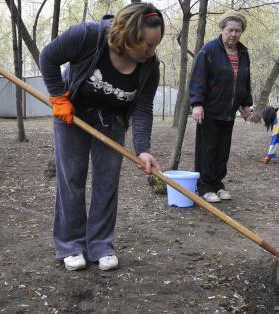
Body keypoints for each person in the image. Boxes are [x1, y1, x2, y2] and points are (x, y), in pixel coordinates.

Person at [39, 3, 164, 271]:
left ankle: (100, 244)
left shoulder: (149, 66)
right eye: (147, 45)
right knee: (71, 177)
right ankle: (71, 245)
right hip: (71, 114)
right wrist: (59, 98)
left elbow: (142, 109)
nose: (151, 52)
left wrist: (143, 149)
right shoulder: (87, 36)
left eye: (155, 45)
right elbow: (48, 57)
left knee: (107, 181)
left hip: (112, 121)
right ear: (128, 35)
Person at [189, 11, 252, 203]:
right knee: (208, 150)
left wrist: (246, 103)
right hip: (210, 110)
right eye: (230, 30)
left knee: (223, 151)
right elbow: (198, 78)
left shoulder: (243, 53)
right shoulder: (208, 50)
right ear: (222, 30)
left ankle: (217, 184)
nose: (233, 34)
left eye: (237, 31)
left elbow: (244, 80)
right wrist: (197, 104)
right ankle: (205, 187)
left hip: (229, 111)